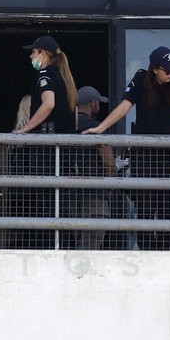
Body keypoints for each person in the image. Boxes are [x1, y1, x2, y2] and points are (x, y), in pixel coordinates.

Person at [84, 46, 170, 250]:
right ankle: (146, 254)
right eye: (167, 70)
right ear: (155, 69)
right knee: (144, 207)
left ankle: (163, 255)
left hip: (169, 154)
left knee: (167, 208)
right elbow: (124, 106)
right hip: (144, 153)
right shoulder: (141, 78)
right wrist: (100, 128)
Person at [12, 35, 78, 249]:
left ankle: (49, 247)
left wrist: (25, 129)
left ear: (43, 54)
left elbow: (48, 104)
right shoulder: (63, 77)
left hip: (47, 148)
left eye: (33, 52)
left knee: (45, 200)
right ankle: (62, 246)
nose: (31, 56)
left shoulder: (45, 73)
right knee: (60, 201)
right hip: (62, 147)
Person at [67, 85, 116, 250]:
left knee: (80, 243)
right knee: (91, 247)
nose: (99, 107)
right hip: (96, 195)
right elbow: (108, 161)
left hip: (72, 196)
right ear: (92, 103)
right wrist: (111, 185)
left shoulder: (67, 127)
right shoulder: (97, 127)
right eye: (99, 103)